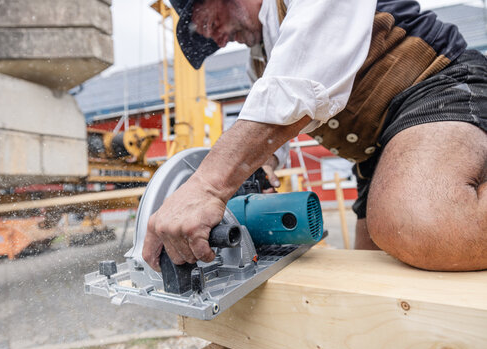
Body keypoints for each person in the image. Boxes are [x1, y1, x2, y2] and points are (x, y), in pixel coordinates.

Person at [143, 0, 487, 272]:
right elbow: (269, 133)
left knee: (417, 222)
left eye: (208, 23)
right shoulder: (259, 62)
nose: (215, 40)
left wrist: (206, 186)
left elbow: (295, 89)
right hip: (377, 150)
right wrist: (257, 175)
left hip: (439, 86)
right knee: (373, 273)